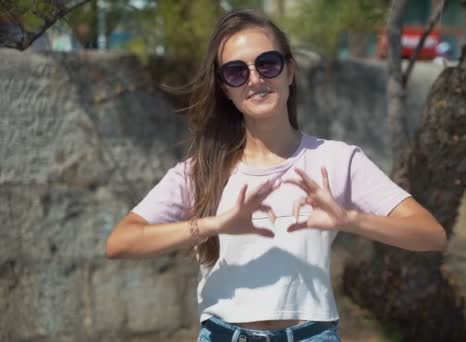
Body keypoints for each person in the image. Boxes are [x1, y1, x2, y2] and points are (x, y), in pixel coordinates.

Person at [105, 9, 446, 342]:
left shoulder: (337, 159)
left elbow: (430, 235)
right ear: (225, 87)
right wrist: (215, 225)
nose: (255, 79)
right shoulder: (201, 171)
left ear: (289, 72)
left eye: (267, 63)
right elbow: (120, 242)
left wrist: (349, 219)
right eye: (236, 72)